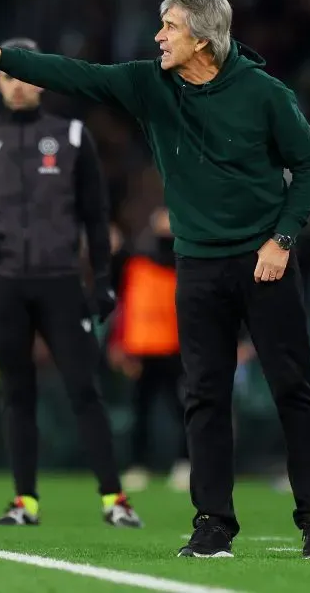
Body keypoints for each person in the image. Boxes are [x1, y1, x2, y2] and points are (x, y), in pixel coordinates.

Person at [0, 0, 310, 559]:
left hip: (264, 261)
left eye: (170, 26)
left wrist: (281, 240)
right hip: (197, 261)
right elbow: (75, 73)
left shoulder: (265, 95)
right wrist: (1, 56)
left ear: (202, 39)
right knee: (202, 394)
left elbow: (308, 164)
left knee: (293, 390)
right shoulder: (150, 83)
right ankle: (213, 523)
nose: (158, 36)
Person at [0, 38, 142, 528]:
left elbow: (96, 214)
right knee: (16, 391)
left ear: (41, 81)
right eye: (9, 76)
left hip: (61, 282)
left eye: (26, 75)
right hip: (2, 282)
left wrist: (105, 281)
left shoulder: (70, 136)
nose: (19, 85)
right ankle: (25, 501)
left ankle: (115, 499)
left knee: (83, 389)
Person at [108, 206, 191, 493]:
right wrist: (120, 345)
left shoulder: (186, 262)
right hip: (142, 350)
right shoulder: (135, 263)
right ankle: (137, 466)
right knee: (140, 412)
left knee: (182, 411)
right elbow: (123, 307)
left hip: (175, 349)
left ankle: (185, 464)